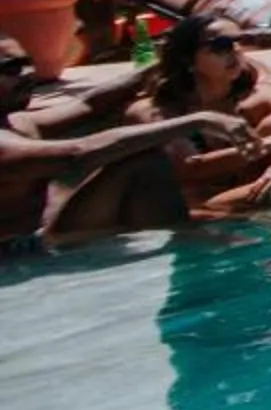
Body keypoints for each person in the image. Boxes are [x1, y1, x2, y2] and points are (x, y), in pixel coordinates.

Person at [0, 35, 245, 252]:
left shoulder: (17, 122)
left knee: (211, 213)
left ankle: (183, 235)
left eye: (24, 64)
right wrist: (196, 121)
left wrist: (170, 60)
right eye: (10, 68)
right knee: (143, 164)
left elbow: (90, 105)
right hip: (18, 252)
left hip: (50, 232)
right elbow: (78, 153)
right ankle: (188, 251)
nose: (26, 75)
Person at [130, 15, 271, 218]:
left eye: (240, 42)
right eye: (221, 45)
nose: (235, 51)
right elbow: (189, 167)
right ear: (187, 58)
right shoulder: (156, 111)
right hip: (204, 210)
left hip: (256, 191)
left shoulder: (257, 96)